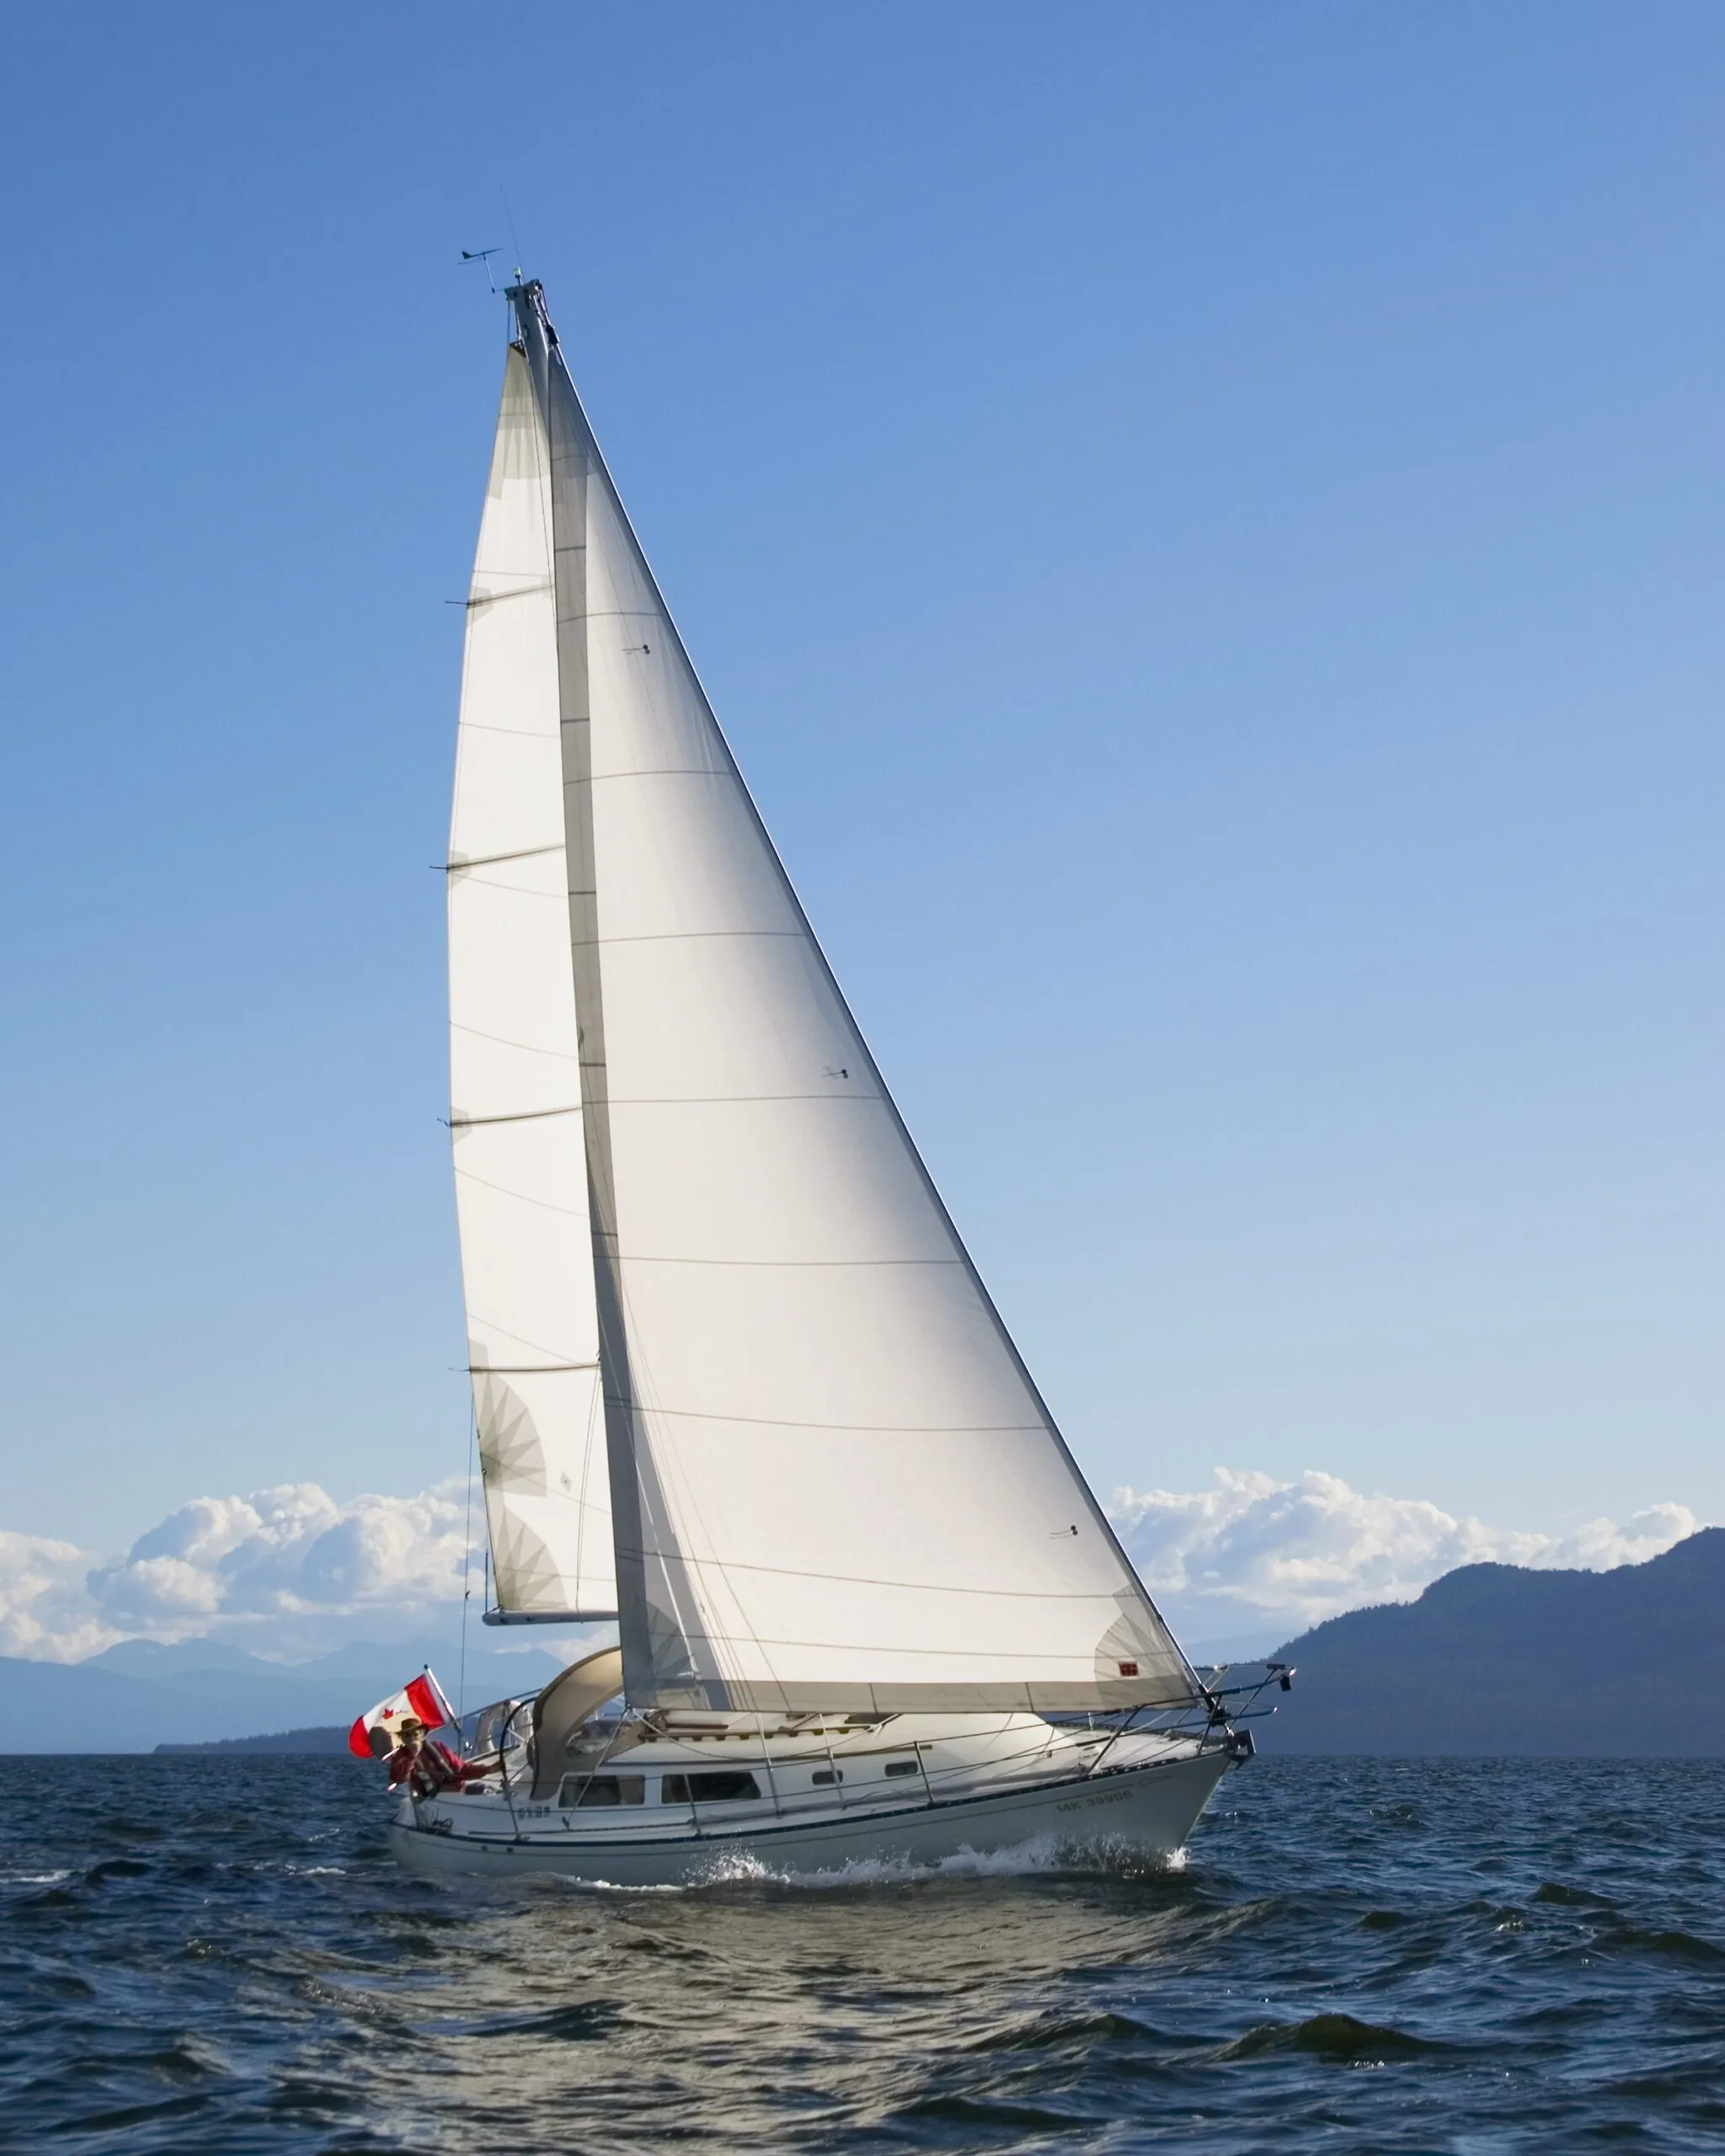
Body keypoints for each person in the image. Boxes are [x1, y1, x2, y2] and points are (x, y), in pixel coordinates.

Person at [387, 1716, 492, 1797]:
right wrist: (412, 1757)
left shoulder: (438, 1747)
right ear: (402, 1739)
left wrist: (488, 1769)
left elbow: (462, 1769)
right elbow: (400, 1779)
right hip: (431, 1800)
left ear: (423, 1735)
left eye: (416, 1734)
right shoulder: (400, 1757)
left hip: (457, 1791)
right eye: (407, 1735)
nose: (412, 1738)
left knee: (486, 1790)